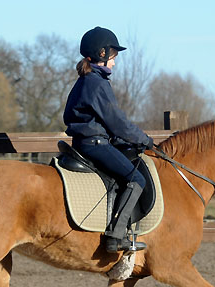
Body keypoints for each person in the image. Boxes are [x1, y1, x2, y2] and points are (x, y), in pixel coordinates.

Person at [63, 26, 154, 253]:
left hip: (90, 141)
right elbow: (117, 122)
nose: (114, 63)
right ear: (102, 54)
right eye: (113, 58)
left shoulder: (85, 81)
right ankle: (115, 236)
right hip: (95, 144)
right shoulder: (96, 83)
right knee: (136, 180)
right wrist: (143, 139)